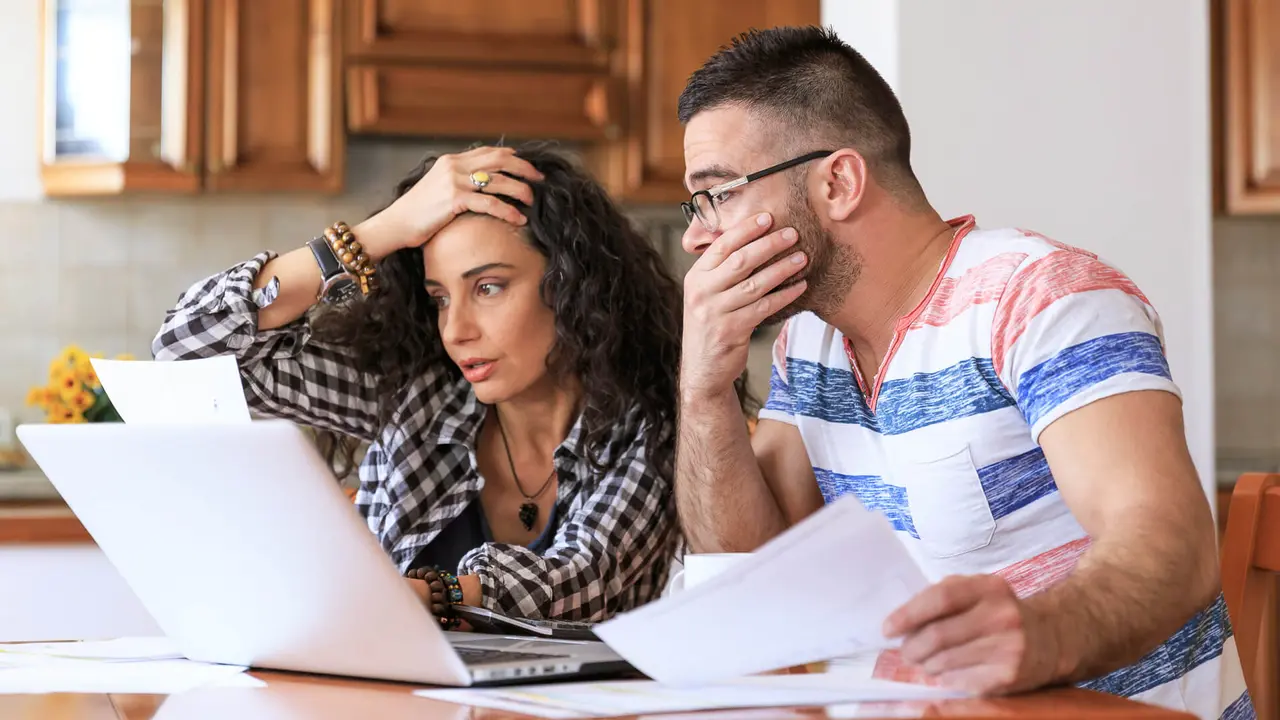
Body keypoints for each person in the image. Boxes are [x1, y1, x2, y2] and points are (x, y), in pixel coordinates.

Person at [672, 26, 1249, 719]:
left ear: (838, 182)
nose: (696, 236)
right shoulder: (809, 346)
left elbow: (1175, 546)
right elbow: (756, 575)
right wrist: (703, 389)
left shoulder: (1042, 296)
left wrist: (1039, 636)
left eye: (719, 195)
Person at [153, 144, 683, 626]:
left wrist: (427, 594)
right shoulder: (417, 400)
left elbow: (584, 581)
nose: (457, 330)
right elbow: (184, 351)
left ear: (572, 286)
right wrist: (379, 232)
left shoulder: (651, 425)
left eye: (489, 287)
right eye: (440, 298)